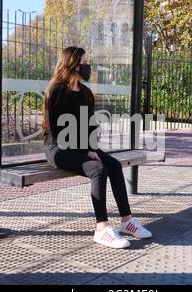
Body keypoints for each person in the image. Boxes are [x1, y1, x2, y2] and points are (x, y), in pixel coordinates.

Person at [42, 47, 152, 249]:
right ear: (72, 64)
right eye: (84, 62)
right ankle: (101, 228)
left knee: (114, 165)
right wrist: (86, 151)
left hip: (82, 146)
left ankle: (127, 220)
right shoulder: (56, 92)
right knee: (98, 169)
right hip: (58, 148)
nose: (87, 66)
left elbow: (90, 125)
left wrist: (90, 147)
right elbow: (58, 132)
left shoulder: (85, 92)